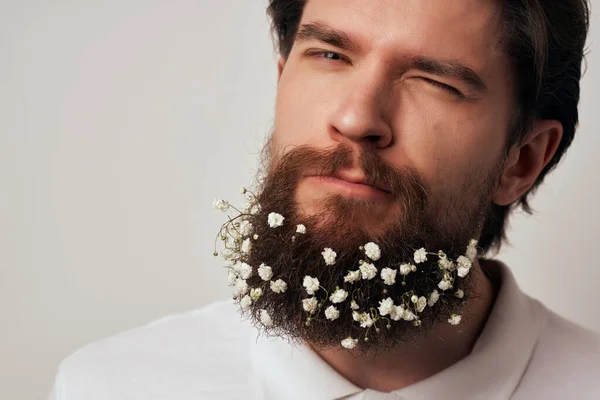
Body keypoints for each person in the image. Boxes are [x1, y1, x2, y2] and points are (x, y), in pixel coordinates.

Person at [49, 0, 600, 399]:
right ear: (282, 80)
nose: (358, 118)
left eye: (435, 82)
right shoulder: (109, 386)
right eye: (331, 55)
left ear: (522, 159)